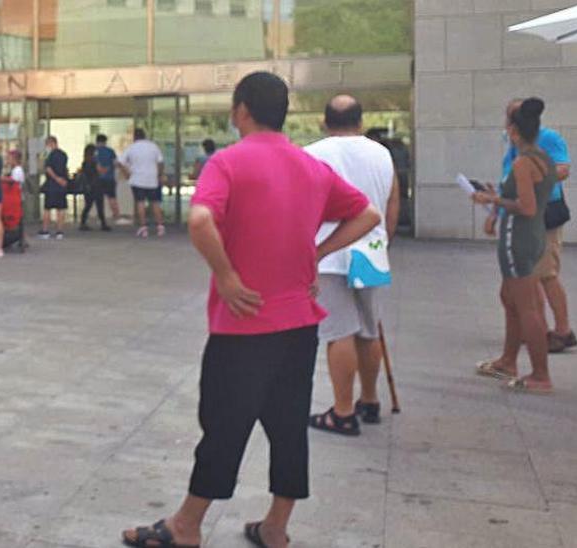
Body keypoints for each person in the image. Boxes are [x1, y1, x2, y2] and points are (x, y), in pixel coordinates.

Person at [121, 72, 380, 548]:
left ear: (241, 110)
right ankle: (276, 526)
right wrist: (317, 255)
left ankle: (186, 526)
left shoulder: (228, 162)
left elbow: (200, 219)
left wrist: (226, 275)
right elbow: (368, 214)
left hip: (242, 325)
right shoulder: (309, 167)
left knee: (222, 425)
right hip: (299, 324)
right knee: (288, 427)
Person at [304, 95, 400, 436]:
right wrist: (384, 241)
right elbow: (392, 201)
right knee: (368, 329)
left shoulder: (313, 153)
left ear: (325, 122)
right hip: (372, 249)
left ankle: (342, 410)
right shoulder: (382, 153)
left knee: (338, 332)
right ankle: (369, 399)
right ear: (360, 121)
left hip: (329, 253)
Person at [473, 98, 557, 394]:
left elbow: (526, 206)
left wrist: (492, 200)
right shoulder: (544, 158)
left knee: (527, 307)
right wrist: (498, 196)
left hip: (518, 240)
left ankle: (540, 375)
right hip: (532, 238)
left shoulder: (522, 163)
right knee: (510, 298)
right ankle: (508, 361)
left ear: (514, 131)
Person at [486, 98, 576, 353]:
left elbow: (563, 169)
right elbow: (507, 181)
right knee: (528, 277)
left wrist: (533, 178)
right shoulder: (514, 147)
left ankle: (562, 330)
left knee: (546, 274)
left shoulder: (548, 139)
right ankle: (536, 327)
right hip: (522, 218)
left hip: (545, 213)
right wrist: (495, 211)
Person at [119, 128, 166, 238]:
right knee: (155, 202)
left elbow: (120, 162)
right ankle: (160, 227)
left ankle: (143, 227)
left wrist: (126, 173)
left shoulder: (131, 148)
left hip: (137, 179)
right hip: (152, 179)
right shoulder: (153, 146)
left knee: (140, 202)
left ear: (134, 137)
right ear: (145, 135)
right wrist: (159, 174)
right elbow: (160, 162)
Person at [40, 136, 69, 239]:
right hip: (62, 185)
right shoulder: (64, 154)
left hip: (51, 185)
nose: (46, 147)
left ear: (51, 143)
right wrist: (63, 180)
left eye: (47, 145)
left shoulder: (50, 156)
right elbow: (65, 168)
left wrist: (56, 179)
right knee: (61, 209)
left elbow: (48, 169)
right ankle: (59, 231)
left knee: (47, 208)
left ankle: (45, 231)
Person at [79, 144, 108, 231]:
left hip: (88, 187)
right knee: (100, 206)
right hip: (96, 186)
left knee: (87, 206)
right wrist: (106, 169)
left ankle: (83, 223)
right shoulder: (95, 162)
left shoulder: (84, 162)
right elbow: (101, 171)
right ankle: (103, 224)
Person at [94, 134, 121, 222]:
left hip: (98, 179)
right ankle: (116, 216)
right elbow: (116, 164)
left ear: (97, 141)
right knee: (112, 198)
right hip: (110, 178)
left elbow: (96, 166)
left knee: (99, 199)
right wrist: (108, 169)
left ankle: (101, 217)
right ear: (105, 142)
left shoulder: (95, 151)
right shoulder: (110, 151)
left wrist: (102, 170)